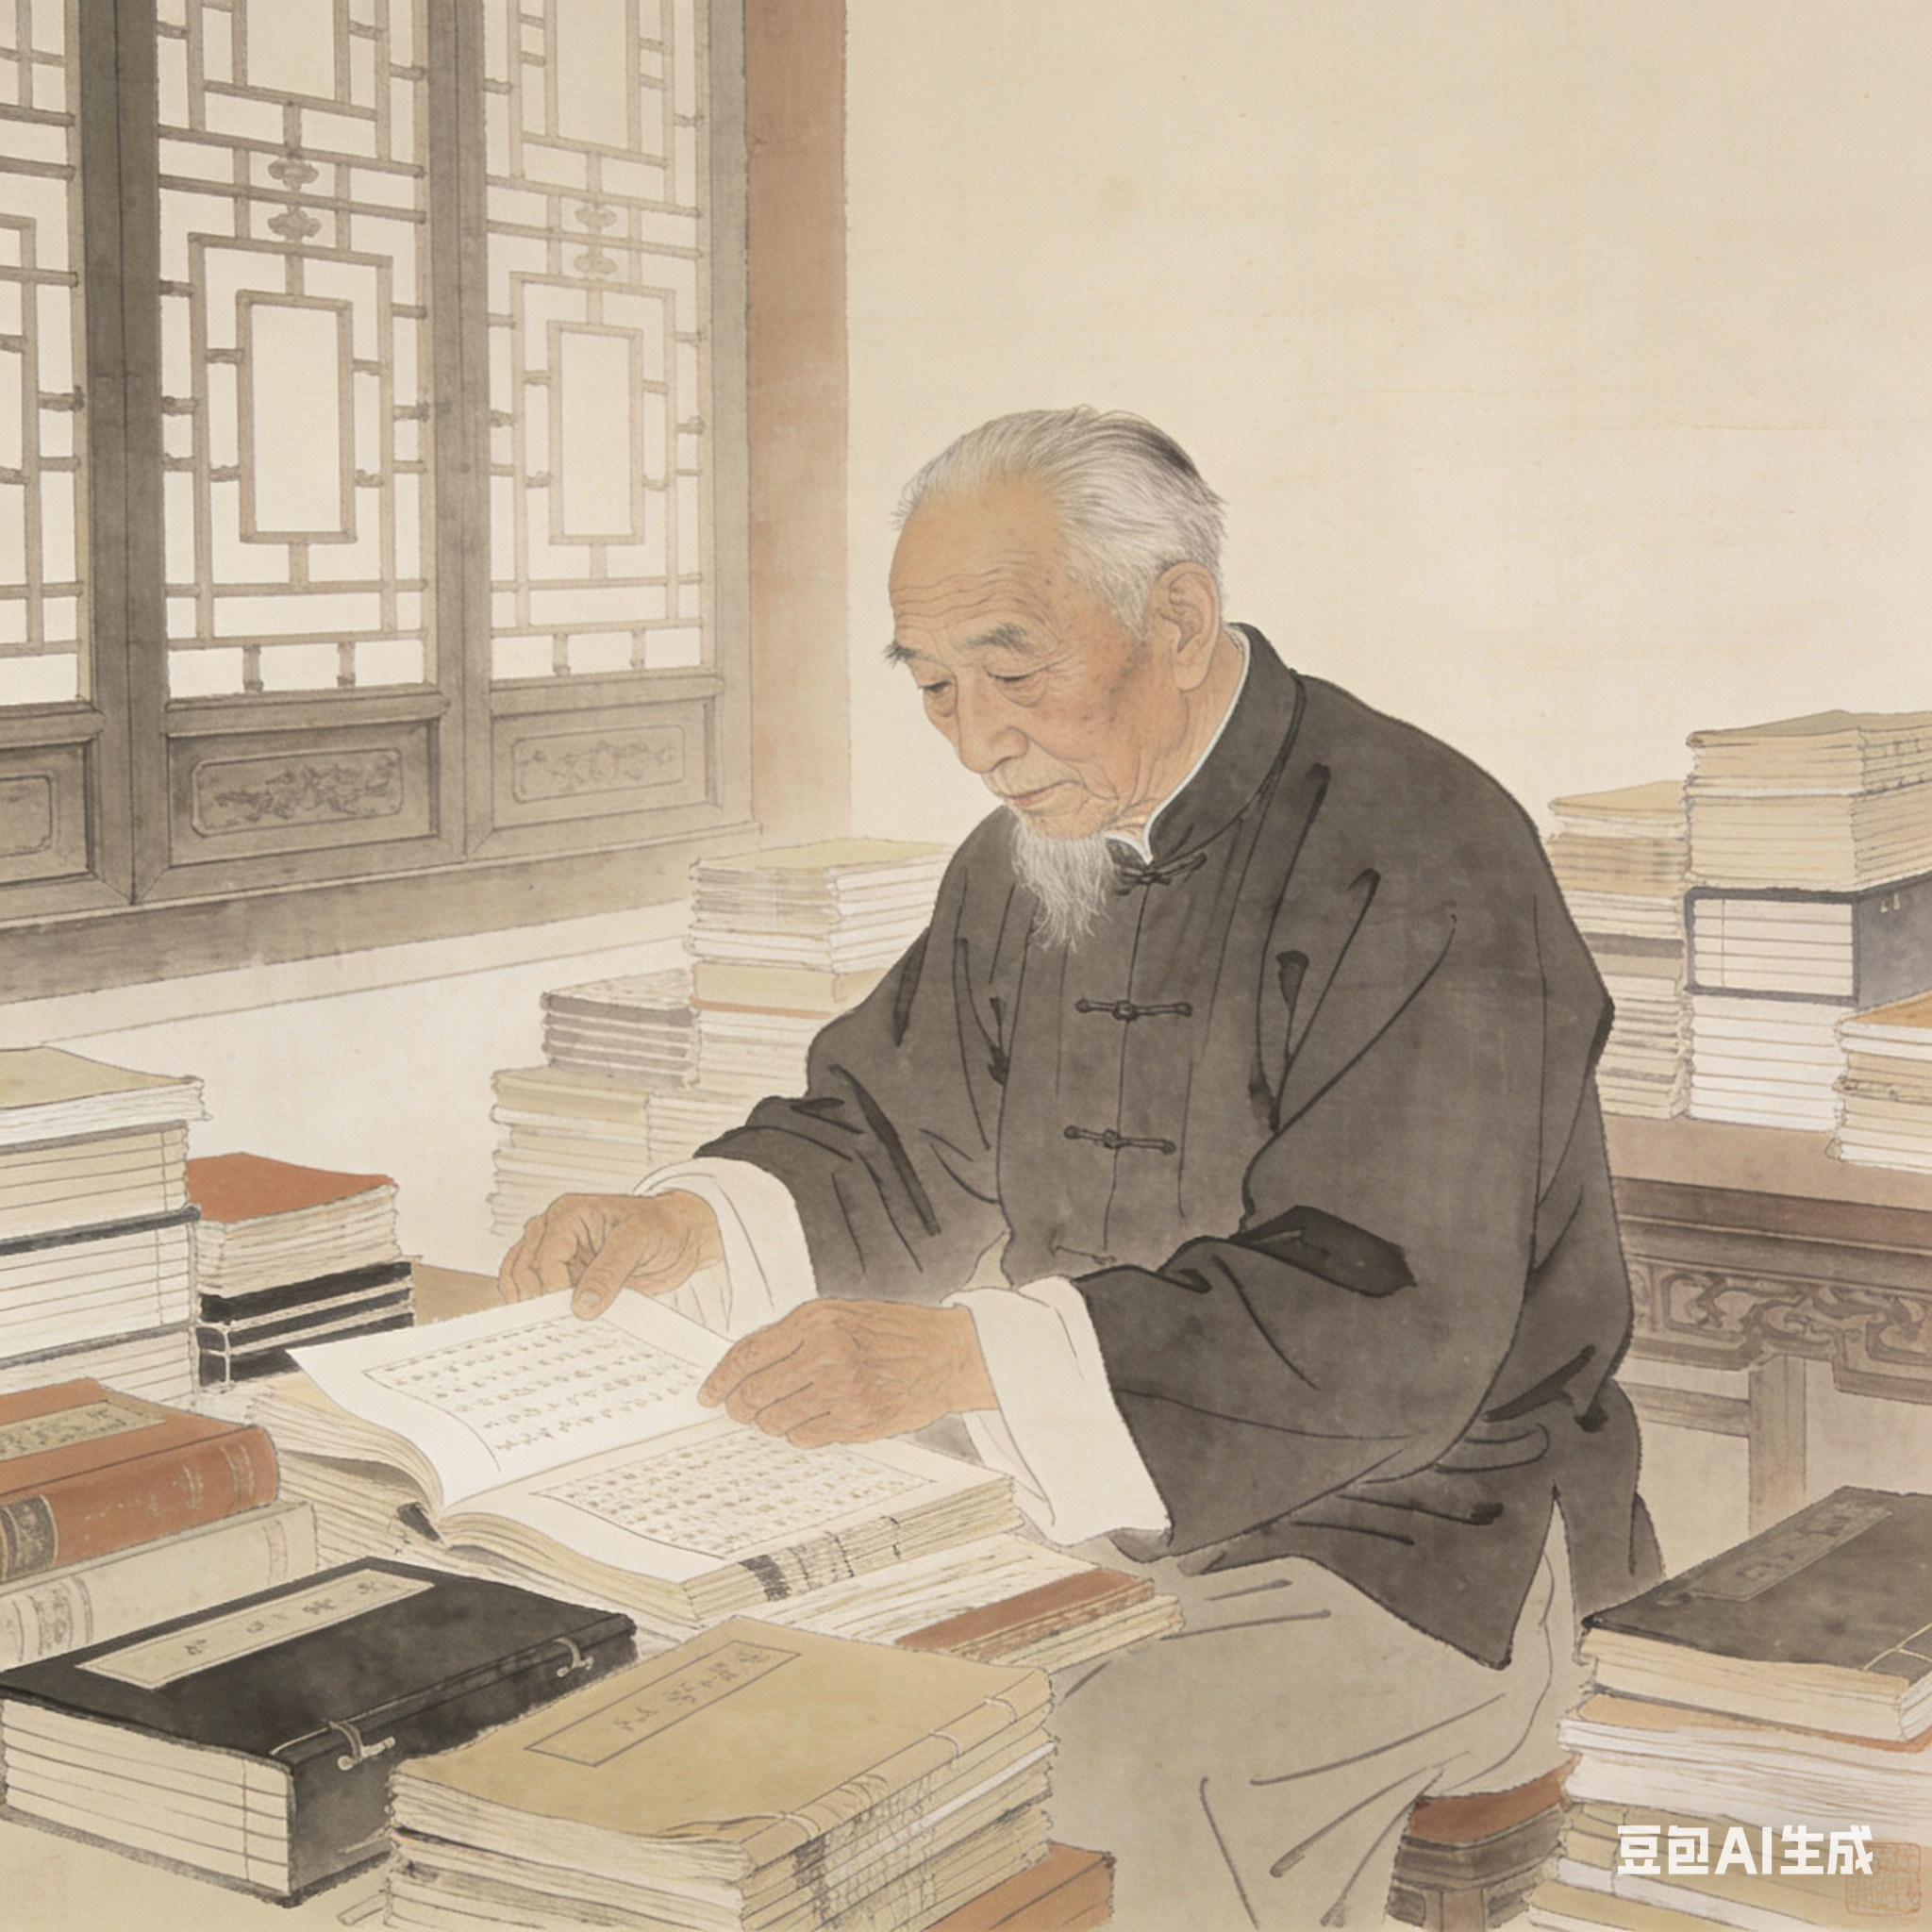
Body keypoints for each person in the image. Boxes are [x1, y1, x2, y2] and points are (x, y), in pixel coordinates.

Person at [501, 408, 1659, 1928]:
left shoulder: (1421, 846)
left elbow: (1391, 1318)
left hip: (1432, 1546)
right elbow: (888, 1138)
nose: (977, 738)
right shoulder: (1024, 858)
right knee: (760, 1718)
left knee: (1086, 1781)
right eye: (933, 686)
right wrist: (684, 1221)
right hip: (1084, 1521)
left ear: (1175, 619)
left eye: (1013, 670)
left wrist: (964, 1360)